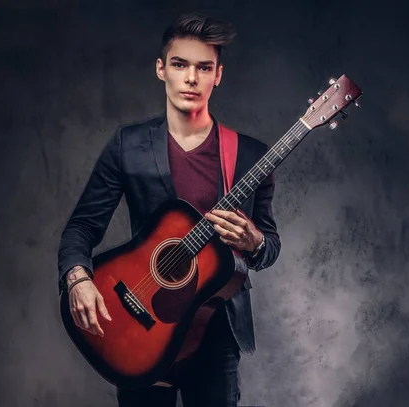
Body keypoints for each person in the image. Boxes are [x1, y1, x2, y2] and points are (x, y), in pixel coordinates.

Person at [56, 12, 281, 407]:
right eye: (180, 64)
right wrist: (78, 278)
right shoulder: (129, 146)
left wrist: (257, 240)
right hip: (141, 327)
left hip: (214, 334)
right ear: (162, 69)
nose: (191, 78)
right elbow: (82, 227)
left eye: (203, 67)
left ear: (218, 75)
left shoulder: (249, 156)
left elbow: (270, 245)